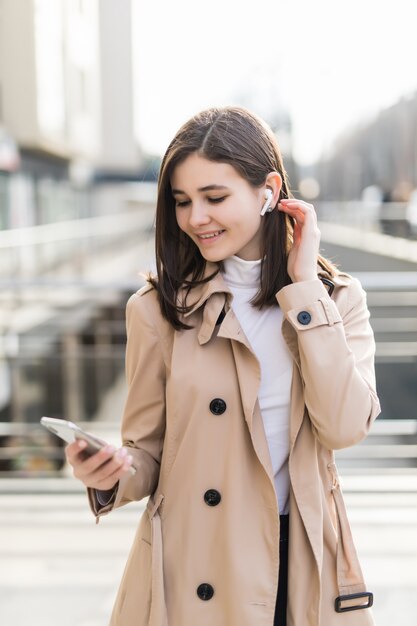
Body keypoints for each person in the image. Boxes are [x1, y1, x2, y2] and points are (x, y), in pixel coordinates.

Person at [65, 106, 381, 626]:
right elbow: (147, 452)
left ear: (268, 191)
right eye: (182, 201)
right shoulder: (157, 310)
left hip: (301, 562)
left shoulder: (334, 301)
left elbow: (345, 427)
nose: (195, 219)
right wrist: (106, 474)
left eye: (214, 198)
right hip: (196, 565)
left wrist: (303, 290)